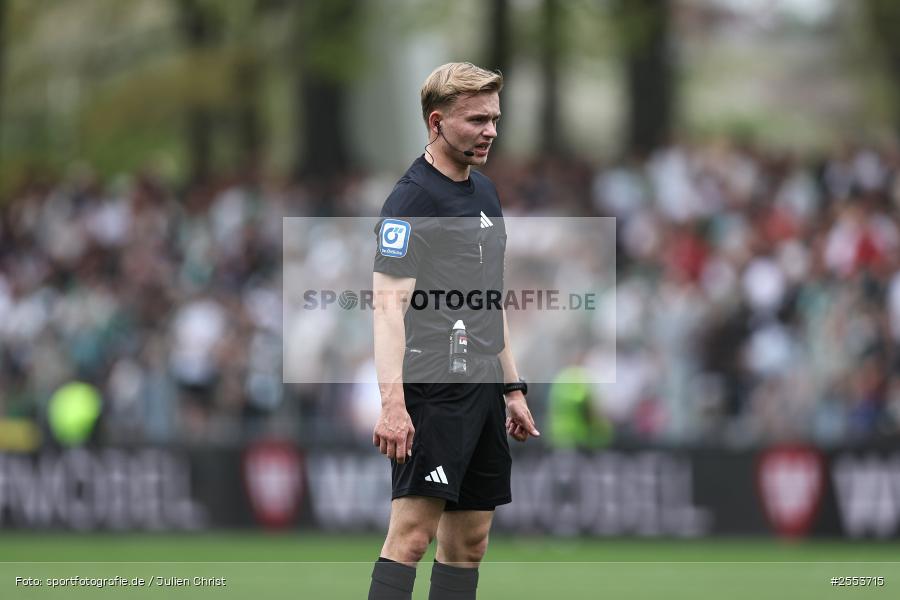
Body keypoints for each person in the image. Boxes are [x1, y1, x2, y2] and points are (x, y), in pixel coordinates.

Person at [369, 62, 540, 600]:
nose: (490, 130)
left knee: (469, 543)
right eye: (476, 120)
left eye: (494, 118)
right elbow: (386, 309)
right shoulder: (411, 201)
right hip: (434, 388)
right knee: (412, 538)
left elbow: (492, 300)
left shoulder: (485, 193)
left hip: (483, 386)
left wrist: (511, 388)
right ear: (436, 122)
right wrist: (392, 404)